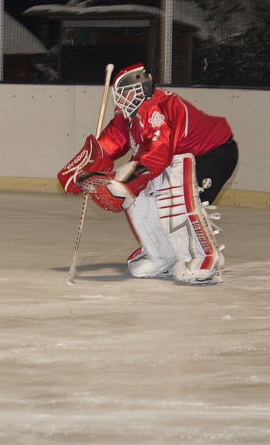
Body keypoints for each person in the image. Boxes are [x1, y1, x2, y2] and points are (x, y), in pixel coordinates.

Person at [58, 63, 239, 285]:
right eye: (119, 94)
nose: (121, 99)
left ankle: (202, 257)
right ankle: (162, 254)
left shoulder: (157, 108)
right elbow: (113, 141)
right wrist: (83, 168)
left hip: (213, 154)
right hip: (179, 160)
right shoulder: (128, 113)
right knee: (143, 197)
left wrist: (128, 182)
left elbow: (158, 153)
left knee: (179, 197)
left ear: (142, 88)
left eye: (126, 92)